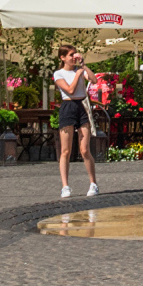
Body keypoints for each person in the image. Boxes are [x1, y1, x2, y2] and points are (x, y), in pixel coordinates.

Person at [50, 45, 98, 198]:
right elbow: (69, 90)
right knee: (66, 150)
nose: (73, 57)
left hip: (81, 106)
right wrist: (78, 74)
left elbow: (94, 80)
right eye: (70, 55)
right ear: (62, 57)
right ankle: (65, 186)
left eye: (74, 54)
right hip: (68, 106)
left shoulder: (80, 70)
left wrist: (83, 66)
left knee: (84, 149)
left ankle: (93, 183)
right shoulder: (59, 73)